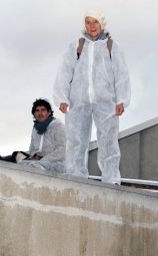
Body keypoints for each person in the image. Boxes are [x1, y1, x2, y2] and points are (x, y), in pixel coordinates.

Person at [53, 10, 131, 184]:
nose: (91, 26)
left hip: (106, 101)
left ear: (101, 23)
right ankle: (75, 178)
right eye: (88, 22)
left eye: (95, 22)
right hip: (78, 101)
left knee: (108, 140)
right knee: (75, 140)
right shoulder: (76, 45)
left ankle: (111, 180)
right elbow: (64, 72)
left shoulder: (112, 46)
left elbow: (121, 74)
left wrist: (121, 100)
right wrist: (62, 98)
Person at [0, 99, 66, 173]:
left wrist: (43, 159)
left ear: (49, 112)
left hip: (54, 164)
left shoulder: (58, 126)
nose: (40, 113)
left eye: (43, 110)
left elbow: (62, 150)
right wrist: (27, 155)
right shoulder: (36, 129)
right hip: (34, 161)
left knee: (29, 167)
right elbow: (32, 150)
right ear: (34, 114)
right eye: (37, 111)